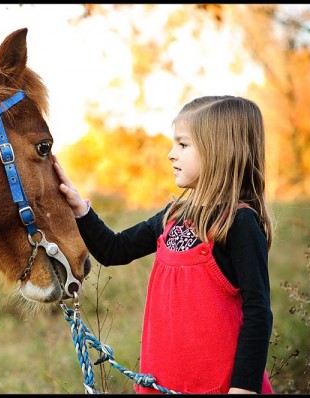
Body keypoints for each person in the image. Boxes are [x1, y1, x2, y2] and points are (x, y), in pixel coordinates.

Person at [54, 95, 273, 394]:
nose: (171, 154)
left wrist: (243, 389)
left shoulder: (239, 223)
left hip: (218, 387)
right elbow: (114, 250)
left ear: (219, 151)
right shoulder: (173, 216)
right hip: (163, 385)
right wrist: (80, 208)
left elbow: (258, 311)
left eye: (183, 145)